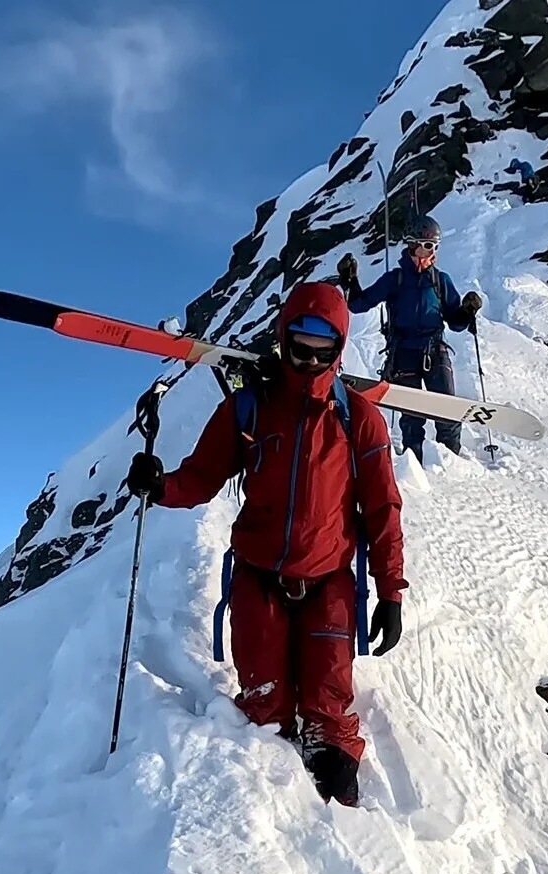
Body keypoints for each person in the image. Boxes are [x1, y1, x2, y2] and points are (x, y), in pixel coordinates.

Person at [125, 281, 406, 809]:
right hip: (259, 580)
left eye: (323, 348)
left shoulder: (358, 419)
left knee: (329, 714)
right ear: (284, 336)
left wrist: (390, 590)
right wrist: (159, 486)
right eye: (300, 344)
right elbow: (201, 477)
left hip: (329, 584)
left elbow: (383, 509)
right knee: (264, 713)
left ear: (339, 347)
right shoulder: (247, 409)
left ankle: (340, 819)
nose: (309, 358)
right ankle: (272, 812)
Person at [337, 215, 483, 463]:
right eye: (426, 245)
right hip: (403, 352)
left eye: (434, 246)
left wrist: (467, 312)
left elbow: (456, 324)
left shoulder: (441, 280)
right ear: (411, 244)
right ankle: (412, 468)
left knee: (447, 410)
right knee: (412, 417)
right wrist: (350, 281)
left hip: (435, 350)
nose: (430, 252)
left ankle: (453, 466)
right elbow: (359, 305)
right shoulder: (394, 280)